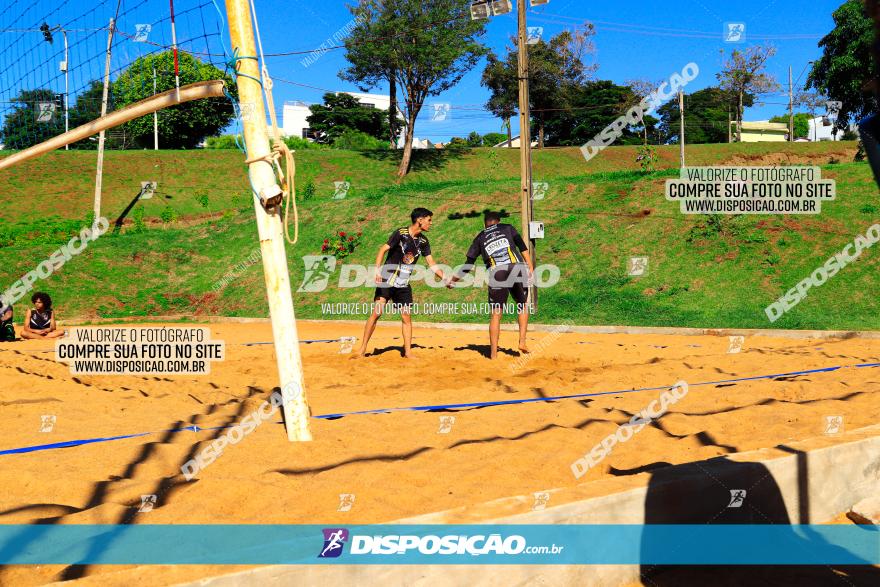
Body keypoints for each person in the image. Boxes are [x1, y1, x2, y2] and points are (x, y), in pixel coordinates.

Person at [353, 208, 445, 358]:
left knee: (406, 317)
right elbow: (382, 250)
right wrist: (377, 270)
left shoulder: (423, 241)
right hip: (387, 279)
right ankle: (362, 349)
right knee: (377, 312)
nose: (431, 223)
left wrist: (445, 278)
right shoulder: (401, 233)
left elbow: (432, 263)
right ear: (419, 220)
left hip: (403, 284)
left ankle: (408, 352)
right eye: (429, 220)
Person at [446, 211, 534, 359]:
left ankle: (493, 354)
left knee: (496, 314)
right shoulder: (508, 228)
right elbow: (522, 246)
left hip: (497, 272)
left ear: (485, 224)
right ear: (498, 221)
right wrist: (530, 265)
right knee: (522, 304)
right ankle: (522, 342)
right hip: (515, 268)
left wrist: (454, 280)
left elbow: (468, 265)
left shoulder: (480, 237)